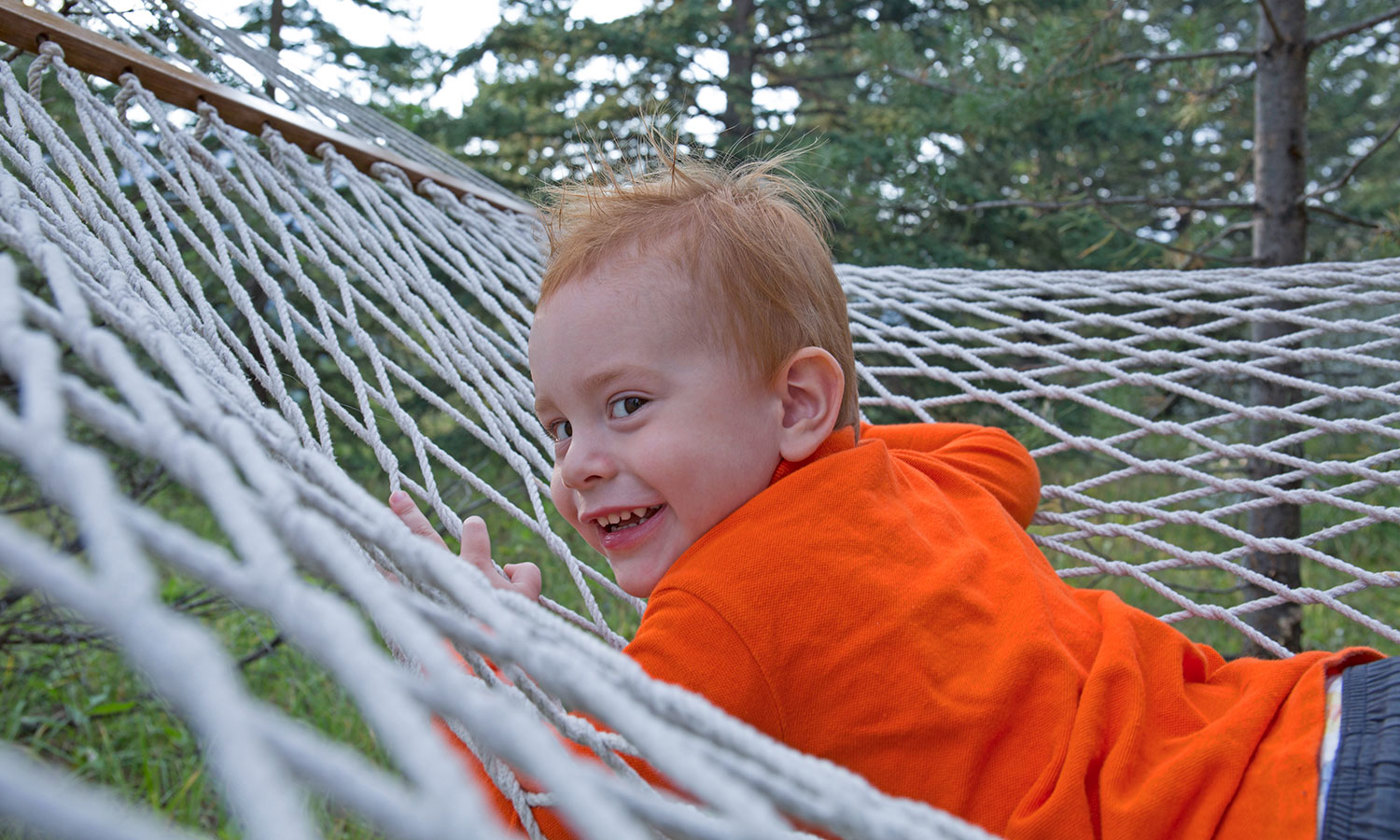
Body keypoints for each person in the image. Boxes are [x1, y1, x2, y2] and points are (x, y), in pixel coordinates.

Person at [389, 148, 1396, 840]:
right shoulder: (903, 480)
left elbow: (558, 816)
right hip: (1313, 717)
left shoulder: (715, 614)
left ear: (795, 400)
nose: (577, 463)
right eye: (558, 425)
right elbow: (1003, 459)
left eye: (626, 405)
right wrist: (832, 446)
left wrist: (471, 676)